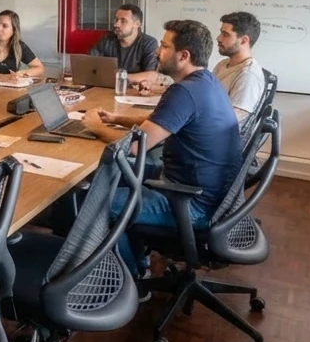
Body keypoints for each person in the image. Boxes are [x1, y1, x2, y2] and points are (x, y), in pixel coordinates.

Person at [82, 20, 241, 272]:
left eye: (165, 46)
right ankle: (139, 260)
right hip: (209, 194)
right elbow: (161, 122)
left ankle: (128, 276)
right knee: (114, 176)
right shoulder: (205, 82)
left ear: (183, 56)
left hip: (192, 203)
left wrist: (95, 127)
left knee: (98, 204)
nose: (157, 51)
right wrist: (116, 119)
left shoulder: (184, 92)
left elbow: (134, 148)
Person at [213, 11, 266, 122]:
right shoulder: (222, 64)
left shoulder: (248, 76)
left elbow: (230, 121)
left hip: (216, 130)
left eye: (225, 35)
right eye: (221, 33)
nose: (218, 38)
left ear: (244, 40)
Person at [88, 4, 159, 86]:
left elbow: (151, 75)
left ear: (137, 24)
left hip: (133, 91)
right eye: (116, 20)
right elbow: (89, 64)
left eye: (123, 21)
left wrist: (119, 78)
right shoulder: (107, 39)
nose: (116, 24)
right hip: (105, 87)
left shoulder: (149, 43)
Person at [0, 10, 45, 84]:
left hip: (8, 87)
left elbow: (39, 67)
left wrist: (22, 73)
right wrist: (7, 77)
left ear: (14, 30)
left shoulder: (19, 46)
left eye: (4, 26)